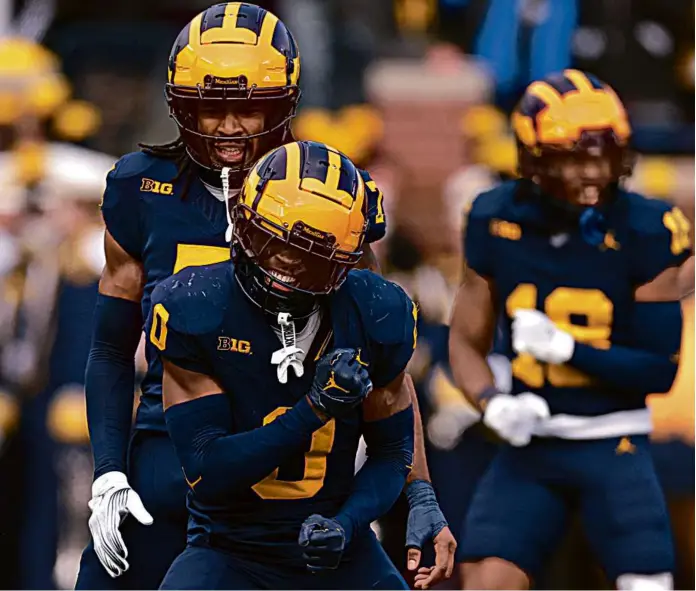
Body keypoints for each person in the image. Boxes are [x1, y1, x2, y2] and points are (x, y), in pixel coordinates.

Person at [76, 4, 453, 589]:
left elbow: (384, 366)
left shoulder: (328, 196)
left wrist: (417, 490)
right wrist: (107, 472)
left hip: (296, 465)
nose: (229, 127)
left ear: (283, 103)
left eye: (248, 105)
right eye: (209, 106)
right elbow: (108, 351)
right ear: (180, 103)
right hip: (175, 444)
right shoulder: (140, 188)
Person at [442, 69, 690, 591]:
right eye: (574, 157)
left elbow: (657, 370)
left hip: (613, 442)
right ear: (534, 160)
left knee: (648, 585)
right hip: (531, 445)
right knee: (485, 582)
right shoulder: (494, 218)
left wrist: (565, 348)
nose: (592, 172)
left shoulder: (649, 229)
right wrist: (492, 401)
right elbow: (466, 340)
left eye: (602, 154)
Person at [150, 140, 415, 589]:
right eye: (275, 244)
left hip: (338, 550)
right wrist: (314, 409)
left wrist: (347, 523)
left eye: (313, 260)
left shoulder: (377, 311)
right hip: (230, 550)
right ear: (244, 222)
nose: (285, 270)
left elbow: (393, 451)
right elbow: (207, 471)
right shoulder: (197, 305)